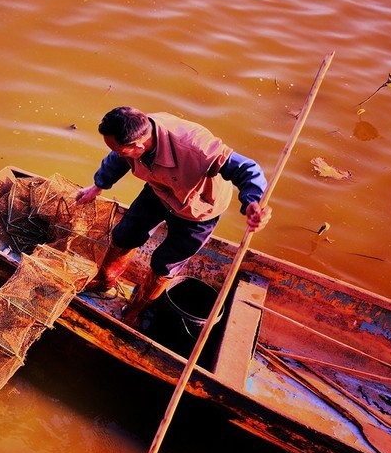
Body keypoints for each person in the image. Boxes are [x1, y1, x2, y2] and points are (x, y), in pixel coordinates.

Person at [74, 106, 271, 324]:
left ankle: (137, 308)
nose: (117, 153)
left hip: (197, 210)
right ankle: (104, 282)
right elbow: (117, 157)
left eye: (121, 150)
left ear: (139, 145)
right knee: (124, 235)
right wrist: (98, 185)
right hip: (158, 191)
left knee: (164, 264)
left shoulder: (199, 148)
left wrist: (253, 201)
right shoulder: (133, 132)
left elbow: (247, 169)